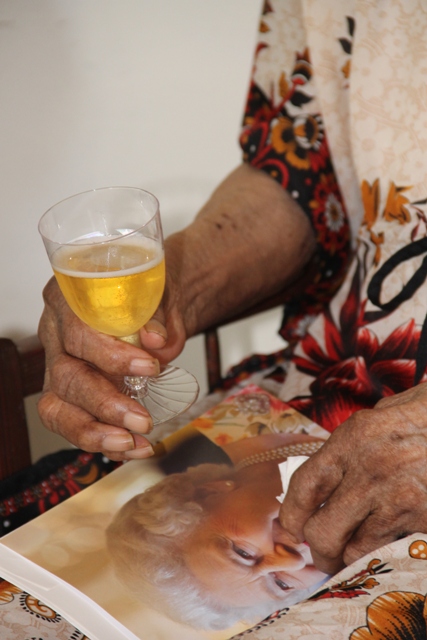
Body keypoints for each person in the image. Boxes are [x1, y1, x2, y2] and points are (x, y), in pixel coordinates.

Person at [37, 0, 427, 580]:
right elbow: (300, 172)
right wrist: (173, 290)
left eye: (246, 556)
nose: (276, 560)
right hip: (320, 395)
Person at [106, 428, 327, 631]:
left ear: (209, 493)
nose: (292, 562)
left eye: (243, 553)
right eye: (282, 583)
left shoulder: (244, 414)